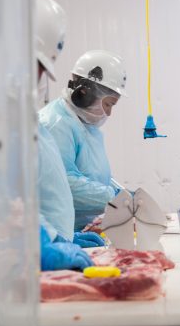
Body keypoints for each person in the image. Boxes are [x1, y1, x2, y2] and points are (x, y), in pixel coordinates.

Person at [35, 0, 105, 251]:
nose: (39, 80)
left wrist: (57, 236)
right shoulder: (55, 123)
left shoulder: (29, 123)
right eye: (37, 68)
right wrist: (46, 243)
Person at [39, 50, 127, 231]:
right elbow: (64, 184)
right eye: (108, 104)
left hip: (80, 229)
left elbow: (94, 176)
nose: (109, 113)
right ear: (84, 93)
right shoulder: (56, 125)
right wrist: (114, 197)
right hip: (58, 232)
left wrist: (123, 193)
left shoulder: (85, 125)